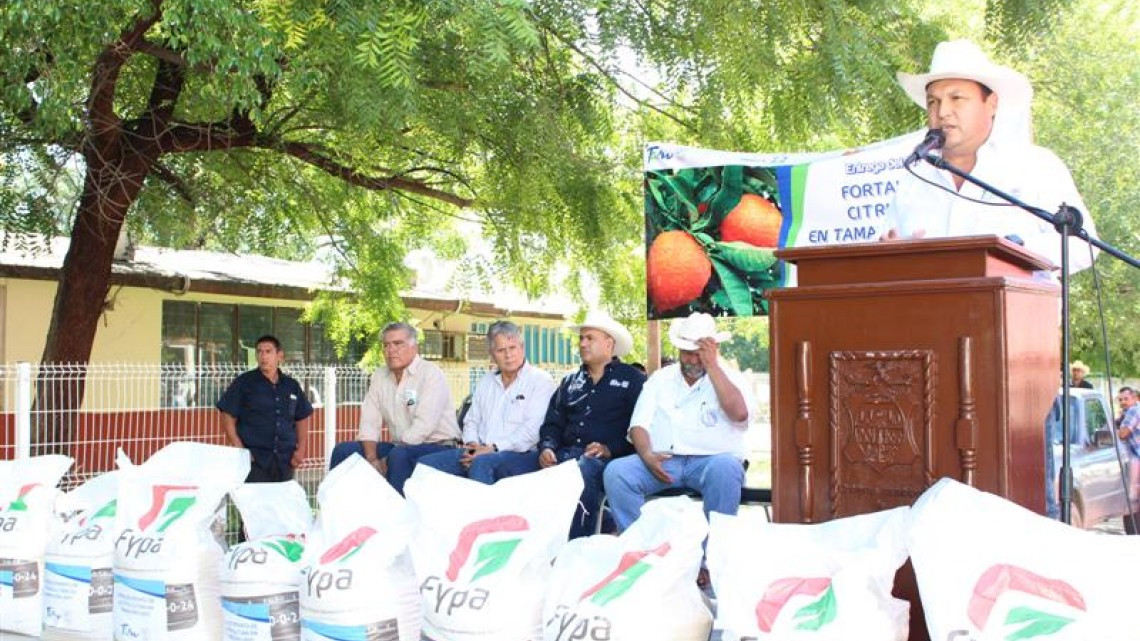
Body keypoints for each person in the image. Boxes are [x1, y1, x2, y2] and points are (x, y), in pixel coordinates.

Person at [882, 39, 1098, 273]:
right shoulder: (914, 179)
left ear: (991, 104)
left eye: (957, 99)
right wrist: (890, 256)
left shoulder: (1035, 166)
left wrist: (1012, 250)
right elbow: (886, 257)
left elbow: (1081, 246)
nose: (942, 112)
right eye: (933, 102)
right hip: (931, 308)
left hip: (1016, 307)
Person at [603, 312, 758, 532]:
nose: (693, 361)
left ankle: (711, 558)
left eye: (699, 354)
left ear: (714, 350)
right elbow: (638, 425)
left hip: (712, 462)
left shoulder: (731, 378)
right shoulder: (661, 378)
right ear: (678, 350)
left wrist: (712, 367)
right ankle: (640, 548)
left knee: (726, 469)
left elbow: (740, 414)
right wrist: (647, 455)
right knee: (617, 472)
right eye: (687, 353)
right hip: (665, 461)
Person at [531, 311, 645, 538]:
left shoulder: (633, 380)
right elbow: (552, 423)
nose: (582, 343)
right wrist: (547, 447)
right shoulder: (570, 382)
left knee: (585, 468)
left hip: (608, 460)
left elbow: (641, 428)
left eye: (590, 338)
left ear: (609, 344)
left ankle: (577, 546)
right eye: (581, 338)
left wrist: (609, 448)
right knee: (523, 471)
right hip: (565, 456)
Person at [328, 321, 461, 494]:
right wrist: (372, 458)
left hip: (437, 445)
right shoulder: (379, 376)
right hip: (400, 446)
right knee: (344, 451)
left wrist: (387, 459)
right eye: (386, 345)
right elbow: (369, 422)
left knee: (398, 456)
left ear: (415, 347)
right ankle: (337, 513)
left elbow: (423, 426)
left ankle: (395, 518)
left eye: (398, 344)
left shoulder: (431, 374)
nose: (391, 350)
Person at [418, 321, 556, 483]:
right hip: (479, 449)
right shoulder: (486, 381)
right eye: (501, 350)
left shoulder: (540, 381)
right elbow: (471, 420)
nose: (508, 355)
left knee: (481, 464)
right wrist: (472, 445)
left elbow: (532, 431)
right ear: (492, 353)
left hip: (518, 453)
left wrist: (492, 448)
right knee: (425, 467)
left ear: (522, 348)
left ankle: (483, 509)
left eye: (513, 348)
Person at [217, 335, 313, 482]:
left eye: (268, 351)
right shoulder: (244, 383)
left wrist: (301, 450)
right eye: (259, 352)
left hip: (285, 460)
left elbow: (302, 417)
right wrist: (239, 448)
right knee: (254, 503)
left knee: (282, 503)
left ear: (279, 355)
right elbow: (227, 415)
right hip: (254, 460)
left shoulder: (291, 385)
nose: (263, 356)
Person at [1116, 387, 1140, 534]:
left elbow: (1123, 434)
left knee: (1132, 495)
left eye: (1126, 399)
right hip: (1134, 456)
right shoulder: (1127, 412)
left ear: (1135, 398)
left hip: (1137, 456)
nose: (1123, 402)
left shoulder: (1134, 411)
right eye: (1120, 400)